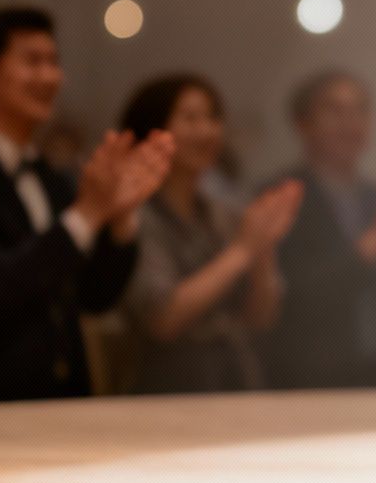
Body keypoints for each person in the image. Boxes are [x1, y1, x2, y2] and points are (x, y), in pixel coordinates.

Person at [0, 7, 174, 401]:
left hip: (61, 397)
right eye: (33, 62)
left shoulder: (50, 178)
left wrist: (120, 218)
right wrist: (87, 214)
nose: (51, 77)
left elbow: (93, 296)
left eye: (54, 62)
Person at [116, 75, 305, 393]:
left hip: (237, 381)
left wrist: (263, 250)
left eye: (212, 118)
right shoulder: (135, 214)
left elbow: (262, 317)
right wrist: (244, 250)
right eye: (190, 118)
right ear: (152, 129)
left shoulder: (224, 212)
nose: (206, 131)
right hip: (168, 389)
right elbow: (162, 317)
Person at [261, 69, 376, 389]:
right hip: (310, 380)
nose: (350, 123)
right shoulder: (278, 199)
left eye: (360, 110)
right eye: (335, 111)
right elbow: (297, 300)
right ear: (302, 123)